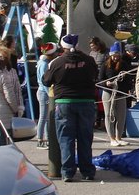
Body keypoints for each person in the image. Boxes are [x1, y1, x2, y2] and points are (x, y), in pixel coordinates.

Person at [42, 34, 99, 182]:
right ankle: (87, 171)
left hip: (64, 102)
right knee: (85, 138)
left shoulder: (57, 62)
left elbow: (46, 81)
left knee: (66, 138)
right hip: (86, 101)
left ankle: (67, 172)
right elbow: (95, 75)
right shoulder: (89, 60)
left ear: (62, 46)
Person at [99, 42, 131, 146]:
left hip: (120, 93)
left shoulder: (124, 65)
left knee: (121, 116)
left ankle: (119, 137)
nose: (115, 58)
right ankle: (112, 138)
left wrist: (126, 90)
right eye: (114, 56)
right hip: (108, 93)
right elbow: (99, 79)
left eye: (117, 56)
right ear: (110, 55)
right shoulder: (105, 65)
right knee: (109, 115)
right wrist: (106, 83)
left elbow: (128, 80)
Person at [35, 42, 58, 148]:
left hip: (43, 92)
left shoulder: (42, 62)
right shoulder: (44, 64)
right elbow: (44, 81)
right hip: (44, 92)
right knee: (43, 117)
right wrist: (50, 93)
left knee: (46, 117)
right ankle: (40, 139)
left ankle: (47, 138)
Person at [0, 43, 24, 118]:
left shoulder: (12, 71)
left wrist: (20, 107)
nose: (1, 59)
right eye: (0, 56)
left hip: (11, 109)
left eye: (4, 57)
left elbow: (17, 90)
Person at [87, 37, 108, 129]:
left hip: (102, 79)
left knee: (102, 101)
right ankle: (96, 120)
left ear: (98, 44)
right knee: (95, 100)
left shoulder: (105, 53)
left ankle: (102, 120)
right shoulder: (92, 53)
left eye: (93, 46)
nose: (92, 48)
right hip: (94, 79)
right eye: (91, 46)